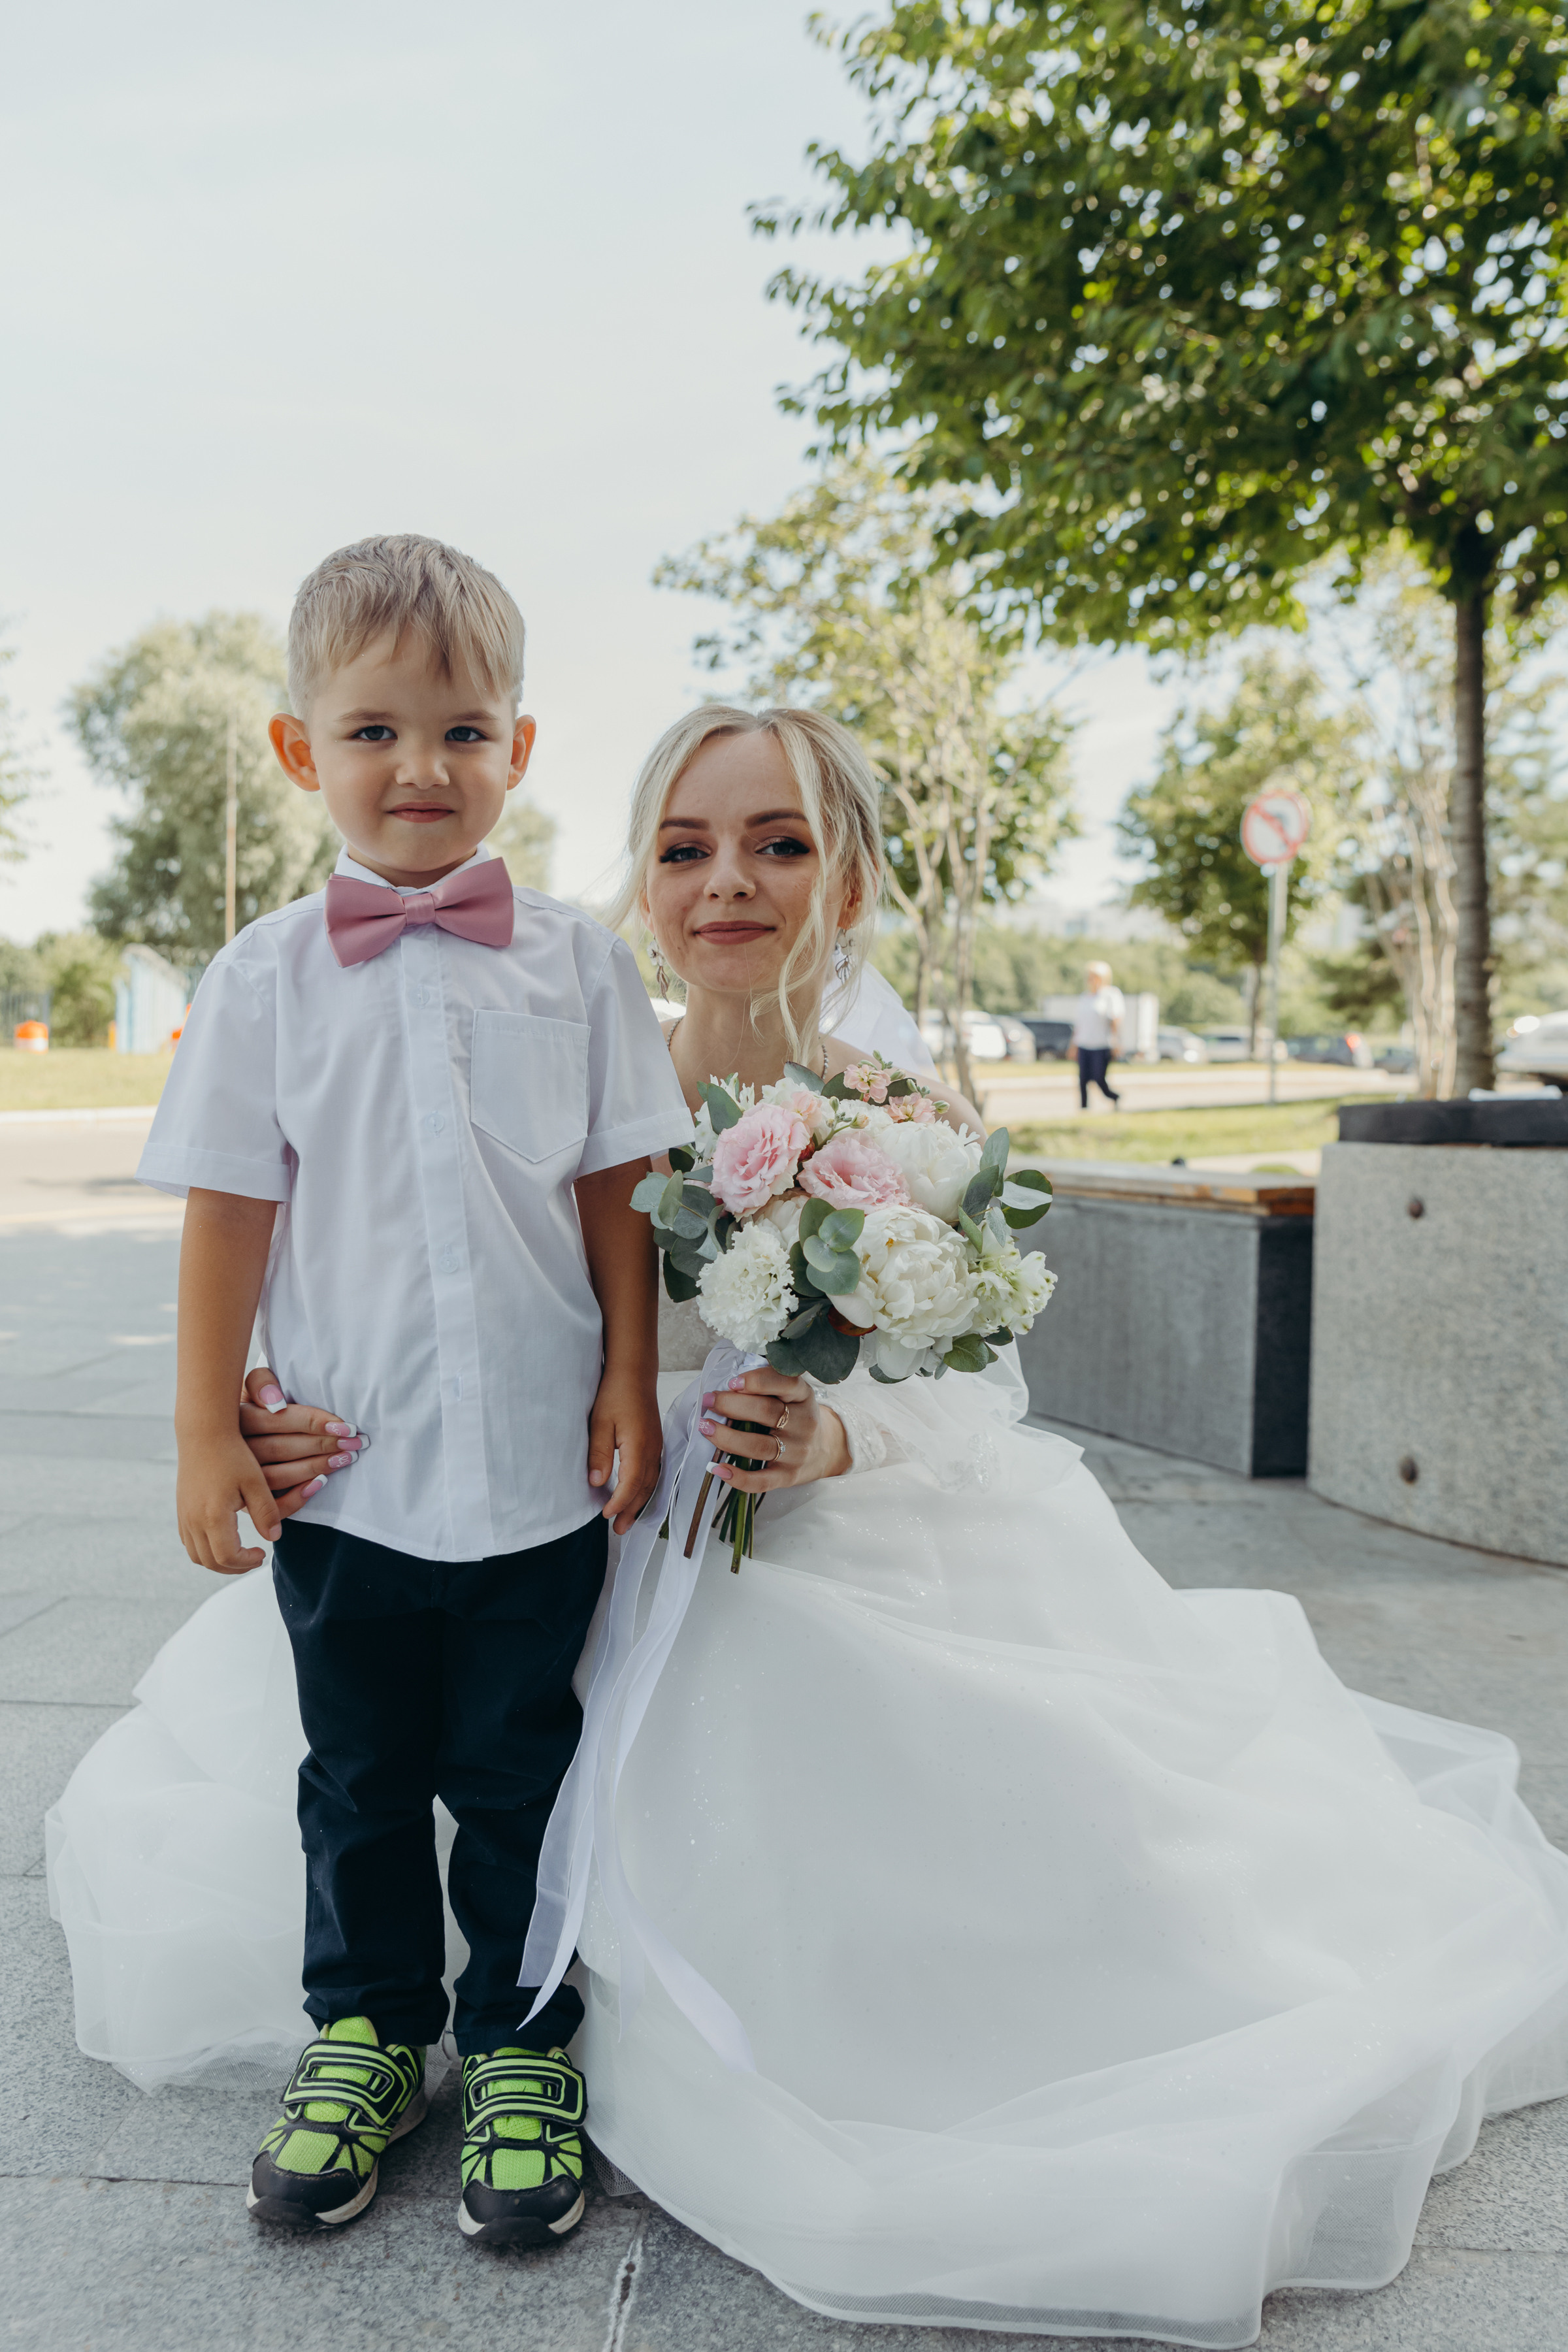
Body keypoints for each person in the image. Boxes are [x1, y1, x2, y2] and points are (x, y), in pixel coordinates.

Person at [48, 705, 1568, 2343]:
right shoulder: (557, 1025)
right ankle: (382, 2019)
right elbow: (390, 1246)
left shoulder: (890, 1105)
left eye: (778, 843)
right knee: (386, 1746)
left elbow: (978, 1383)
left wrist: (840, 1424)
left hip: (787, 1525)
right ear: (639, 874)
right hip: (533, 1510)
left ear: (844, 880)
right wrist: (262, 1399)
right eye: (686, 846)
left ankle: (568, 2032)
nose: (728, 882)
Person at [117, 534, 693, 2246]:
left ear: (518, 748)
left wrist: (634, 1382)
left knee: (526, 1770)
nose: (419, 768)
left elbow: (617, 1193)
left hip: (536, 1459)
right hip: (350, 1475)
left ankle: (524, 2043)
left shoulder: (578, 964)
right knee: (359, 1772)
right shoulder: (265, 976)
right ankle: (367, 2027)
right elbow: (233, 1207)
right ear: (302, 753)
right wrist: (203, 1425)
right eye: (373, 731)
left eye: (460, 730)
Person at [1071, 958, 1124, 1107]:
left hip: (1102, 1045)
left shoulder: (1111, 995)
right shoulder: (1085, 998)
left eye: (1094, 976)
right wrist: (1073, 1045)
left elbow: (1115, 1021)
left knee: (1098, 1078)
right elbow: (1079, 1025)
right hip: (1084, 1044)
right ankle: (1084, 1109)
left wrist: (1116, 1042)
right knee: (1082, 1080)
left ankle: (1114, 1097)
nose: (1091, 980)